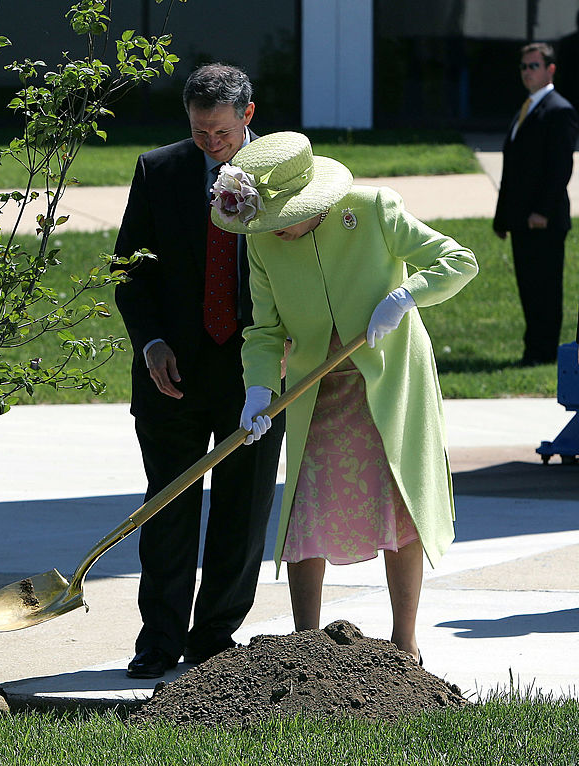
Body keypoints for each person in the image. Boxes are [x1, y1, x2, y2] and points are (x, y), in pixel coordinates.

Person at [217, 131, 478, 663]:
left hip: (388, 378)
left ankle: (404, 643)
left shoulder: (374, 208)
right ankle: (306, 647)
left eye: (282, 219)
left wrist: (405, 297)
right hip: (319, 387)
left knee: (396, 502)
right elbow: (265, 331)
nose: (273, 232)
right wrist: (259, 390)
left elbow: (458, 260)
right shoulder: (263, 240)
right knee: (305, 508)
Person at [113, 63, 285, 679]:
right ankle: (158, 637)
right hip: (173, 372)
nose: (210, 143)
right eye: (197, 131)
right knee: (168, 507)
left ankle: (214, 639)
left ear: (248, 115)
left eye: (219, 131)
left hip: (255, 370)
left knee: (242, 511)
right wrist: (152, 342)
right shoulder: (159, 171)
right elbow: (129, 270)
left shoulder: (288, 176)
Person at [493, 42, 579, 367]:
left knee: (545, 289)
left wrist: (541, 211)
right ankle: (533, 350)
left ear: (550, 69)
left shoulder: (559, 110)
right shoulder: (525, 109)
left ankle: (543, 353)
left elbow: (560, 169)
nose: (526, 72)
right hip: (520, 222)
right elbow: (514, 170)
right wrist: (503, 220)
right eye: (523, 67)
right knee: (529, 288)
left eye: (533, 66)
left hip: (544, 221)